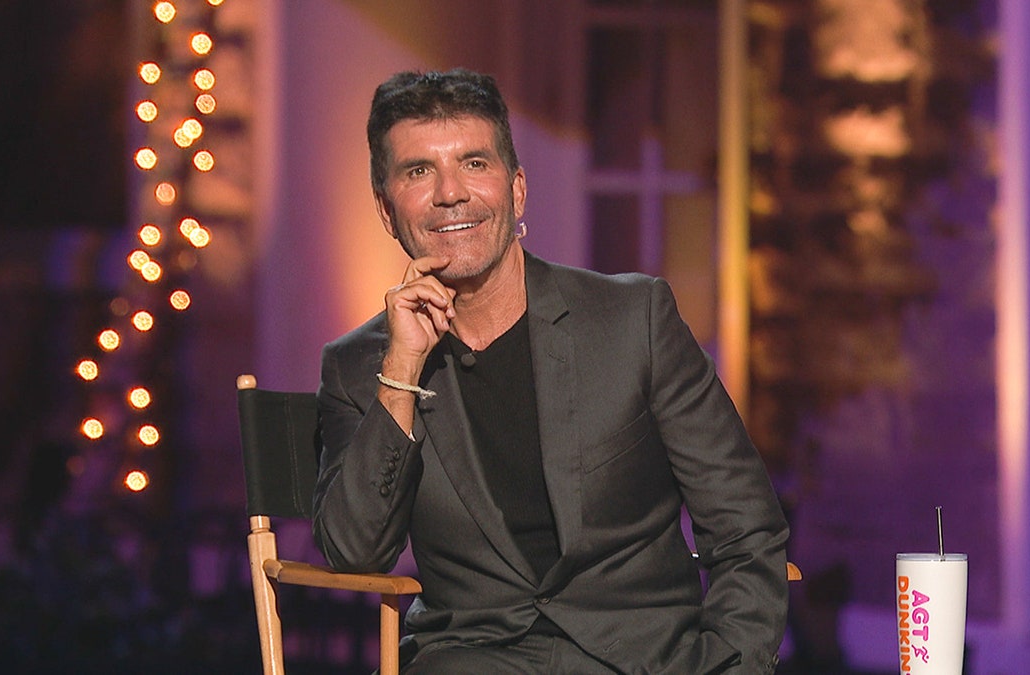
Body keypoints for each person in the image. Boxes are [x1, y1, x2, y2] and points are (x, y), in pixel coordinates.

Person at [312, 68, 790, 674]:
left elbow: (746, 526)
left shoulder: (634, 320)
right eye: (418, 172)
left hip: (646, 659)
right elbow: (357, 552)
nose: (450, 192)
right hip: (474, 659)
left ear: (516, 193)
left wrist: (729, 666)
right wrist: (402, 369)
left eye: (474, 164)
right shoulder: (360, 367)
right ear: (386, 210)